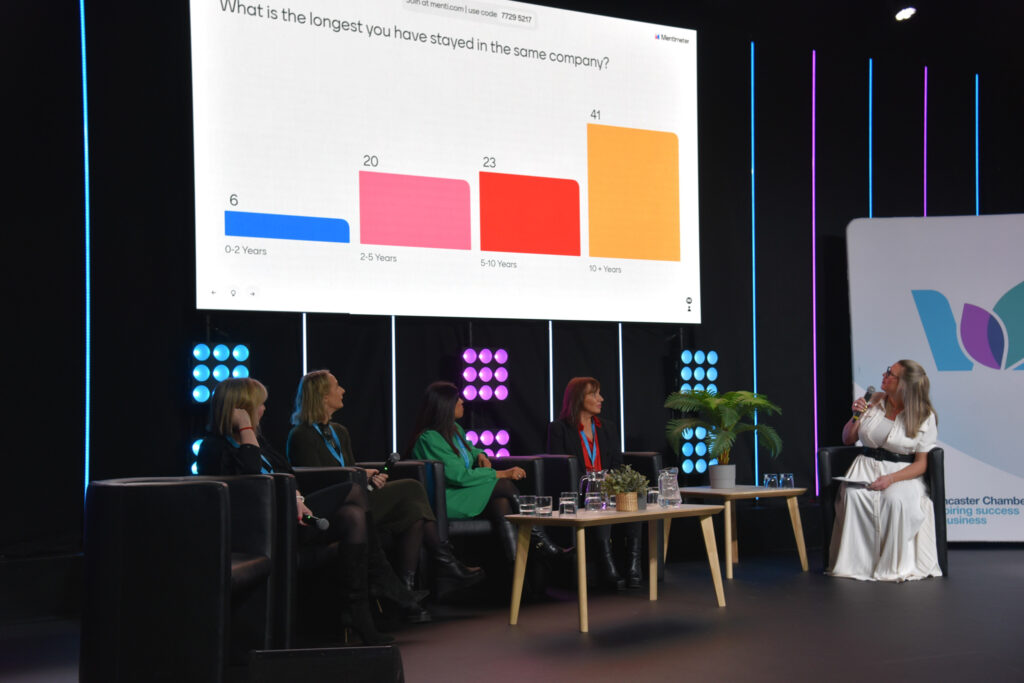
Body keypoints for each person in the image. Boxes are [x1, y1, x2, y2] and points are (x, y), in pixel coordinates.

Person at [196, 378, 425, 644]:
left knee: (353, 515)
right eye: (258, 406)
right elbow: (250, 478)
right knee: (354, 492)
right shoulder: (214, 447)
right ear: (241, 410)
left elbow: (289, 477)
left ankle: (358, 612)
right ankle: (385, 583)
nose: (264, 411)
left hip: (299, 517)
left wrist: (298, 497)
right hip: (269, 529)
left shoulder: (260, 444)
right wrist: (246, 430)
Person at [287, 370, 483, 595]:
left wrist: (368, 477)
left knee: (414, 513)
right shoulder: (301, 435)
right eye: (337, 386)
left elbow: (346, 468)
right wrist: (359, 474)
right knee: (412, 487)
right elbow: (317, 481)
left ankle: (405, 589)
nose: (343, 391)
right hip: (335, 509)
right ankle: (445, 562)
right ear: (322, 396)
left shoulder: (339, 431)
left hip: (358, 496)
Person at [405, 381, 565, 563]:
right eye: (457, 399)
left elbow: (469, 450)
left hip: (463, 493)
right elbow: (459, 476)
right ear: (445, 405)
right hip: (447, 499)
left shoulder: (454, 430)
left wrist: (480, 454)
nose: (463, 401)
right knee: (504, 484)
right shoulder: (430, 438)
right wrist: (502, 473)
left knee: (502, 502)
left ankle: (518, 575)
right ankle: (540, 541)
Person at [828, 359, 943, 582]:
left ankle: (893, 567)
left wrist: (890, 479)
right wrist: (855, 416)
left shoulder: (924, 415)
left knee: (895, 500)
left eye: (890, 373)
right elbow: (848, 439)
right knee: (854, 495)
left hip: (901, 473)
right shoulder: (874, 401)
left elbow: (921, 463)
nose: (884, 375)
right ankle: (857, 566)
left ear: (904, 384)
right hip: (864, 468)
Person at [547, 377, 643, 590]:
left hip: (608, 485)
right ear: (579, 398)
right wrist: (593, 479)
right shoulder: (559, 428)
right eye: (594, 394)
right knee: (599, 492)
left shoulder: (607, 427)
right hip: (580, 489)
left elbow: (618, 463)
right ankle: (607, 565)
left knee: (634, 493)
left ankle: (634, 565)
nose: (601, 399)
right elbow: (558, 468)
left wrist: (613, 478)